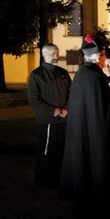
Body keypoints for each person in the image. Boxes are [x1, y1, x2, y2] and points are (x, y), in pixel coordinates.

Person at [59, 34, 110, 218]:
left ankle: (82, 205)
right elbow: (104, 108)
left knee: (82, 167)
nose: (104, 60)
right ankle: (98, 207)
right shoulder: (95, 77)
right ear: (100, 56)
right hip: (95, 134)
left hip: (81, 132)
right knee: (96, 168)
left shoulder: (80, 75)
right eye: (103, 56)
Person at [27, 43, 71, 189]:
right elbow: (34, 100)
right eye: (53, 54)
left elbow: (71, 94)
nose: (56, 57)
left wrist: (66, 108)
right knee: (47, 153)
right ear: (44, 54)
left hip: (63, 121)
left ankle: (61, 180)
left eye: (57, 53)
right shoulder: (36, 75)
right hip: (47, 122)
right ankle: (45, 182)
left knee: (62, 152)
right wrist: (53, 111)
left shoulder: (63, 73)